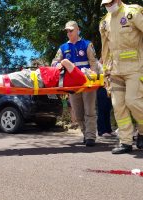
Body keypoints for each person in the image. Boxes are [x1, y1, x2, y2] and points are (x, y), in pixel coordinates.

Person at [100, 0, 143, 154]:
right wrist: (105, 72)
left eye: (110, 2)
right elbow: (105, 50)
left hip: (135, 68)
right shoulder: (105, 22)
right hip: (115, 71)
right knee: (118, 106)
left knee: (132, 101)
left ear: (117, 0)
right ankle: (125, 142)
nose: (108, 6)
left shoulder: (133, 13)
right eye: (105, 4)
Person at [51, 21, 98, 147]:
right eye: (67, 31)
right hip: (72, 85)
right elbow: (54, 63)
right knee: (78, 113)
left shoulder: (87, 44)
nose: (68, 33)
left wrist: (93, 77)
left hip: (87, 83)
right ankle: (85, 133)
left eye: (71, 30)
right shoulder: (63, 48)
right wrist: (59, 64)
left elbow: (93, 63)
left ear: (78, 30)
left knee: (89, 110)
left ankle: (90, 137)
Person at [0, 59, 87, 89]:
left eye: (92, 71)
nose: (89, 70)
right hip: (35, 78)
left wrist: (60, 64)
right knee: (0, 80)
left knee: (1, 80)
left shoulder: (81, 78)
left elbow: (65, 61)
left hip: (35, 79)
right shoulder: (79, 79)